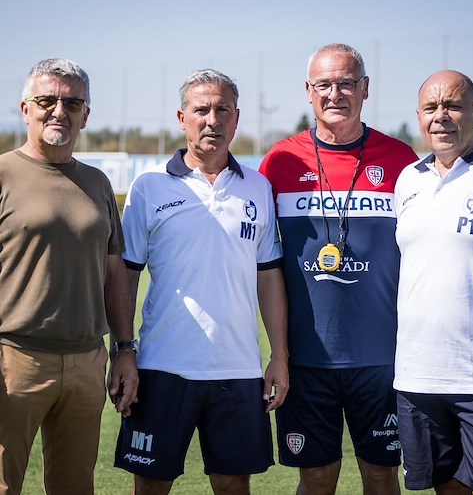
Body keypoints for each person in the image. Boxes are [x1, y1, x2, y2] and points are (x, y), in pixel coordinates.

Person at [114, 69, 289, 495]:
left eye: (222, 110)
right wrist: (122, 351)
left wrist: (279, 356)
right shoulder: (149, 186)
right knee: (152, 484)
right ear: (182, 117)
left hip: (238, 367)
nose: (212, 119)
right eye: (201, 110)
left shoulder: (258, 187)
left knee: (233, 484)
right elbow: (124, 275)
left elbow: (269, 277)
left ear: (236, 118)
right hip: (162, 366)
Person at [259, 43, 418, 494]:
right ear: (308, 92)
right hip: (306, 359)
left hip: (382, 358)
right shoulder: (280, 163)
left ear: (365, 89)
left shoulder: (401, 160)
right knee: (317, 476)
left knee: (382, 475)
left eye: (347, 82)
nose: (336, 93)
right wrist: (278, 354)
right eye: (324, 84)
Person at [0, 58, 138, 495]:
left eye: (72, 102)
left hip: (86, 361)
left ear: (86, 114)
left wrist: (124, 350)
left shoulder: (97, 183)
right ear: (26, 108)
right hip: (15, 358)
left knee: (75, 486)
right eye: (47, 100)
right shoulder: (3, 174)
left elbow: (115, 274)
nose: (59, 110)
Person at [394, 70, 473, 494]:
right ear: (419, 117)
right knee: (445, 487)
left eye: (453, 106)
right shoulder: (408, 180)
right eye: (431, 108)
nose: (442, 117)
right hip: (418, 376)